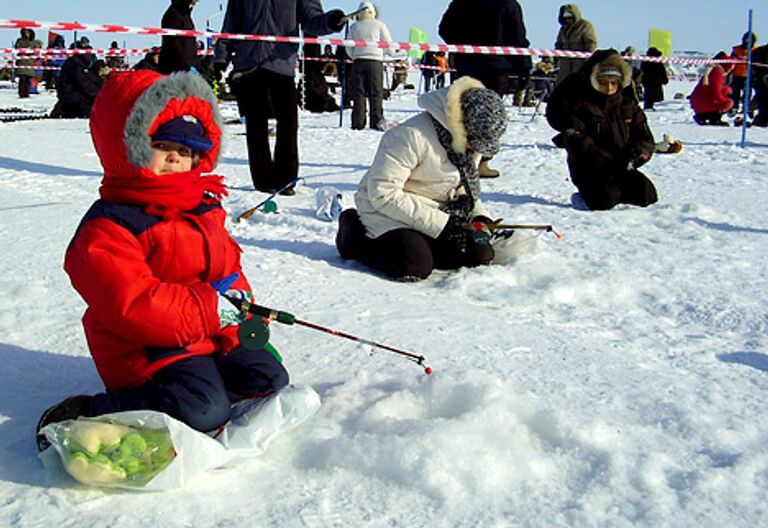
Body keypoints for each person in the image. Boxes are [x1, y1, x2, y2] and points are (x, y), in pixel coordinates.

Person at [35, 70, 289, 449]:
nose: (175, 157)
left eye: (187, 151)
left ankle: (202, 385)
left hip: (205, 335)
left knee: (269, 378)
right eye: (162, 144)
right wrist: (209, 310)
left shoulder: (201, 208)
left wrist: (239, 308)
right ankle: (89, 413)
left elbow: (227, 269)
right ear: (128, 145)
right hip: (144, 348)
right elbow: (132, 304)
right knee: (204, 409)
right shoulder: (109, 226)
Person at [335, 77, 508, 281]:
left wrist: (480, 217)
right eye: (474, 142)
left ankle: (425, 244)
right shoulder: (409, 136)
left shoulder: (467, 143)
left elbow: (464, 189)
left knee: (480, 255)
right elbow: (383, 194)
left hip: (437, 214)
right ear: (462, 125)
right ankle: (352, 234)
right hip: (386, 212)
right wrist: (442, 225)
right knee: (413, 265)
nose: (476, 150)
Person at [213, 0, 346, 195]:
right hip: (248, 64)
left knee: (288, 123)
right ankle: (263, 180)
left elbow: (312, 19)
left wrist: (331, 21)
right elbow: (231, 24)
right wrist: (220, 57)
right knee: (255, 125)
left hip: (281, 64)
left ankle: (286, 179)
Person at [546, 49, 658, 211]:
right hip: (590, 168)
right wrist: (605, 160)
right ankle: (583, 198)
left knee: (646, 196)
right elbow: (578, 142)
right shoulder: (580, 107)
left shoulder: (629, 107)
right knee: (605, 200)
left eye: (613, 83)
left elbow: (644, 138)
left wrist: (636, 156)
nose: (609, 87)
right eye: (603, 82)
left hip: (622, 165)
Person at [439, 0, 530, 179]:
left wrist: (461, 46)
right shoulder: (508, 4)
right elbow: (517, 38)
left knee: (463, 114)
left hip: (467, 65)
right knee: (488, 118)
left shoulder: (461, 3)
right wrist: (523, 68)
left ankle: (460, 159)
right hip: (496, 67)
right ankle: (480, 162)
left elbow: (444, 29)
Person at [347, 1, 393, 131]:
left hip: (358, 62)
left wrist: (354, 56)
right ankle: (376, 120)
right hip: (375, 61)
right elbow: (387, 43)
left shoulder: (354, 27)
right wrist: (382, 54)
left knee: (358, 93)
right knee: (376, 92)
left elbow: (348, 46)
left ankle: (358, 122)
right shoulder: (379, 25)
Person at [55, 38, 102, 118]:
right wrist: (99, 93)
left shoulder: (80, 63)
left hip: (71, 94)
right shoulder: (75, 64)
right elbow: (84, 83)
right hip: (71, 96)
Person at [553, 4, 597, 86]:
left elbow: (591, 42)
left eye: (570, 18)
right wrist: (556, 55)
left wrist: (589, 57)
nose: (568, 20)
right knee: (561, 86)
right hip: (565, 64)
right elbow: (559, 43)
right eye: (565, 18)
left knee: (579, 86)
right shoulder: (563, 29)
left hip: (580, 64)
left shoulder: (585, 26)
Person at [689, 52, 734, 126]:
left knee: (724, 92)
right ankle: (715, 118)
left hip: (697, 102)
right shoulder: (717, 74)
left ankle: (702, 116)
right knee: (728, 102)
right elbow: (715, 90)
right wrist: (725, 102)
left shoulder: (711, 71)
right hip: (704, 102)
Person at [159, 0, 199, 74]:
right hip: (176, 69)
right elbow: (174, 44)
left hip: (187, 66)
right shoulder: (173, 15)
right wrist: (186, 66)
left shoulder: (185, 15)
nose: (196, 2)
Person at [730, 32, 757, 114]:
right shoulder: (736, 50)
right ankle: (734, 107)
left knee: (747, 94)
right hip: (736, 75)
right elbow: (731, 61)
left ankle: (746, 108)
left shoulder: (755, 51)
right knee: (735, 93)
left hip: (748, 76)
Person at [14, 28, 42, 98]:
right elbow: (18, 48)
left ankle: (26, 93)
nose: (27, 34)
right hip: (22, 62)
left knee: (28, 80)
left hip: (30, 63)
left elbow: (37, 50)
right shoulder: (20, 41)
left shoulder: (34, 42)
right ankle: (21, 93)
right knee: (22, 79)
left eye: (28, 32)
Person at [752, 42, 768, 127]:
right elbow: (753, 68)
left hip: (760, 83)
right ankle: (762, 118)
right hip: (761, 83)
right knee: (762, 99)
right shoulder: (759, 52)